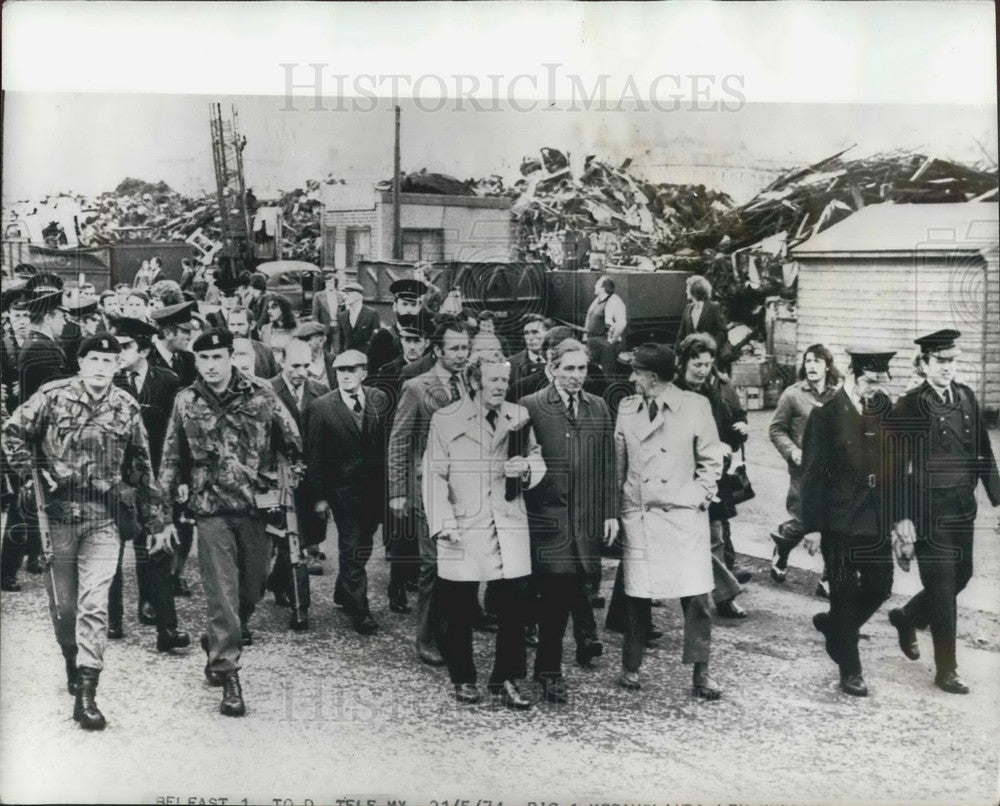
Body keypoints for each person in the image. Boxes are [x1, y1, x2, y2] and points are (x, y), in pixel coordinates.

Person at [1, 334, 170, 730]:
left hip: (103, 519)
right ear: (81, 363)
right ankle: (69, 659)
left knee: (94, 605)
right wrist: (31, 473)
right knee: (65, 608)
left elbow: (142, 465)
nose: (100, 367)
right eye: (93, 359)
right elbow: (11, 432)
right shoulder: (52, 396)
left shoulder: (125, 406)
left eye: (108, 361)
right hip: (57, 515)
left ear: (117, 367)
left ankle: (88, 692)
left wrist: (157, 520)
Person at [158, 327, 302, 716]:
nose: (210, 366)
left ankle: (217, 641)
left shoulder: (260, 394)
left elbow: (292, 441)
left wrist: (284, 485)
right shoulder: (186, 401)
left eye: (216, 357)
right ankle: (229, 675)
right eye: (203, 359)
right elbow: (171, 457)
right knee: (221, 593)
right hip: (210, 509)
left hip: (255, 506)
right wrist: (163, 511)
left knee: (250, 590)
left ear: (230, 357)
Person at [423, 355, 545, 708]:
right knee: (458, 605)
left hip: (508, 522)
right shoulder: (446, 419)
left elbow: (535, 456)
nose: (500, 386)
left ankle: (507, 678)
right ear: (475, 382)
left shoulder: (518, 416)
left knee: (514, 606)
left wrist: (526, 469)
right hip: (465, 524)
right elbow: (433, 475)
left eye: (504, 380)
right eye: (492, 380)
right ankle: (463, 677)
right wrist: (442, 523)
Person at [887, 329, 1000, 695]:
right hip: (927, 512)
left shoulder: (965, 397)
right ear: (923, 364)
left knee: (962, 574)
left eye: (952, 361)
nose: (947, 368)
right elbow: (893, 466)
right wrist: (901, 516)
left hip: (962, 509)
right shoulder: (909, 405)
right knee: (943, 587)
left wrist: (998, 501)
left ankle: (907, 617)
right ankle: (946, 669)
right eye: (940, 361)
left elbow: (983, 452)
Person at [612, 343, 724, 697]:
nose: (631, 379)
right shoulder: (627, 409)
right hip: (640, 514)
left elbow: (711, 461)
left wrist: (696, 499)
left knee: (696, 600)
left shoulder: (695, 406)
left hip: (681, 517)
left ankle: (701, 674)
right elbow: (619, 463)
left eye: (637, 373)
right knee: (637, 595)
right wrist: (620, 507)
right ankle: (630, 667)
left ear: (653, 377)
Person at [519, 339, 616, 703]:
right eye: (569, 369)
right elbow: (521, 465)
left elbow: (608, 464)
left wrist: (610, 513)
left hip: (587, 519)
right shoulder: (531, 407)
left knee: (579, 587)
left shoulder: (599, 407)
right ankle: (548, 671)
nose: (577, 376)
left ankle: (566, 653)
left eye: (582, 368)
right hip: (548, 519)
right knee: (556, 596)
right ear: (552, 368)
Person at [800, 347, 898, 697]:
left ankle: (836, 629)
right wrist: (810, 525)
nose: (877, 389)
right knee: (842, 594)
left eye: (881, 383)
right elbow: (811, 473)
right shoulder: (826, 415)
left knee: (881, 585)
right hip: (838, 522)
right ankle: (851, 670)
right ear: (855, 377)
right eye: (872, 382)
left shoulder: (881, 412)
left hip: (874, 520)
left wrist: (898, 519)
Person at [388, 317, 472, 666]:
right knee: (433, 567)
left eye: (465, 348)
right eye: (454, 348)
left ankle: (451, 632)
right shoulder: (416, 387)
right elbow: (399, 441)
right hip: (429, 490)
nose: (460, 354)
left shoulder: (469, 384)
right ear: (437, 350)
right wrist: (398, 491)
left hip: (464, 491)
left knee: (460, 566)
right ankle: (427, 638)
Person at [105, 317, 190, 651]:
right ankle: (113, 618)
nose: (118, 352)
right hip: (114, 480)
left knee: (154, 547)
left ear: (142, 348)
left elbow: (177, 434)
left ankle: (158, 617)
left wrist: (179, 477)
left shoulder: (167, 381)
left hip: (152, 479)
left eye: (125, 346)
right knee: (111, 550)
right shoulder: (106, 382)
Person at [304, 350, 390, 635]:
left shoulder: (379, 399)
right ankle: (361, 611)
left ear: (364, 372)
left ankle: (344, 591)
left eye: (352, 370)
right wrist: (319, 497)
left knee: (364, 545)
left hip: (375, 492)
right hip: (342, 492)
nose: (345, 375)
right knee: (351, 548)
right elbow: (314, 455)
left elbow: (387, 444)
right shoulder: (322, 407)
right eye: (340, 370)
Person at [674, 333, 752, 618]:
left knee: (715, 536)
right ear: (683, 363)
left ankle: (723, 599)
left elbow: (726, 423)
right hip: (684, 477)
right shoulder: (674, 393)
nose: (703, 370)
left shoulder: (714, 389)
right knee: (686, 542)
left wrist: (737, 432)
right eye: (697, 364)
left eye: (707, 364)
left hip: (713, 475)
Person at [370, 310, 434, 613]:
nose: (411, 346)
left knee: (415, 527)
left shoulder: (429, 372)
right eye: (407, 340)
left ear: (426, 343)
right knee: (401, 528)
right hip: (398, 457)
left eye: (417, 340)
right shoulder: (389, 372)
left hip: (421, 457)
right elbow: (383, 422)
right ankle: (397, 586)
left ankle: (410, 577)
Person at [267, 338, 329, 630]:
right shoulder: (266, 391)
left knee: (303, 537)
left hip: (313, 479)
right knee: (294, 542)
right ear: (281, 361)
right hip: (278, 477)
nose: (301, 372)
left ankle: (278, 582)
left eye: (306, 365)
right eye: (295, 365)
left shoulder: (321, 392)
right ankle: (300, 607)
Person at [768, 344, 840, 591]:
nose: (811, 366)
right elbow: (776, 429)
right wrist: (792, 450)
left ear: (827, 366)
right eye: (808, 361)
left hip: (832, 470)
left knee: (833, 522)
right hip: (803, 469)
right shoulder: (792, 394)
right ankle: (782, 544)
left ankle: (828, 579)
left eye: (817, 362)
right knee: (804, 520)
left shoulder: (837, 394)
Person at [367, 278, 428, 374]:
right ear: (395, 306)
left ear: (419, 307)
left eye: (413, 305)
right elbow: (371, 374)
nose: (409, 310)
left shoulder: (426, 338)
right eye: (404, 304)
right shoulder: (381, 338)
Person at [674, 275, 731, 372]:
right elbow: (681, 334)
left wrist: (710, 347)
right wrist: (678, 351)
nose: (685, 291)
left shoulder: (713, 307)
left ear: (694, 289)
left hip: (709, 357)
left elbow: (722, 332)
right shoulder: (688, 308)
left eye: (687, 288)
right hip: (692, 356)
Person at [583, 275, 626, 380]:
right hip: (592, 342)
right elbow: (589, 317)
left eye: (597, 284)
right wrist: (585, 336)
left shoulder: (614, 300)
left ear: (603, 288)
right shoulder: (597, 300)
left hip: (605, 345)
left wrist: (611, 341)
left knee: (607, 375)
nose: (594, 286)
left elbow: (621, 323)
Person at [149, 300, 198, 388]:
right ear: (168, 334)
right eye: (185, 332)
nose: (190, 337)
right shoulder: (147, 359)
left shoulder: (188, 359)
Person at [226, 307, 278, 379]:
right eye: (232, 325)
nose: (236, 329)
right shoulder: (222, 351)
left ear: (252, 325)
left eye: (240, 324)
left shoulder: (265, 351)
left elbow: (274, 380)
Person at [337, 281, 381, 354]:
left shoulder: (371, 314)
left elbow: (377, 341)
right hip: (348, 358)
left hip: (365, 358)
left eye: (348, 294)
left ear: (358, 297)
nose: (344, 297)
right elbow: (341, 343)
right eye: (344, 294)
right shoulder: (343, 316)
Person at [507, 314, 548, 390]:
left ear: (547, 333)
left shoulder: (556, 361)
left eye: (535, 332)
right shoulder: (511, 363)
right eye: (526, 333)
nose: (530, 338)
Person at [292, 321, 335, 390]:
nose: (303, 344)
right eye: (300, 340)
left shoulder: (335, 361)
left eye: (307, 339)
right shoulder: (294, 365)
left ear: (322, 340)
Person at [311, 267, 341, 355]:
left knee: (337, 349)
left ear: (335, 283)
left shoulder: (341, 295)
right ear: (325, 283)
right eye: (327, 282)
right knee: (324, 349)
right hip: (324, 326)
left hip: (337, 326)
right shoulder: (319, 296)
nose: (329, 284)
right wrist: (317, 328)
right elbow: (315, 313)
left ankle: (335, 366)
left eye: (331, 282)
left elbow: (344, 312)